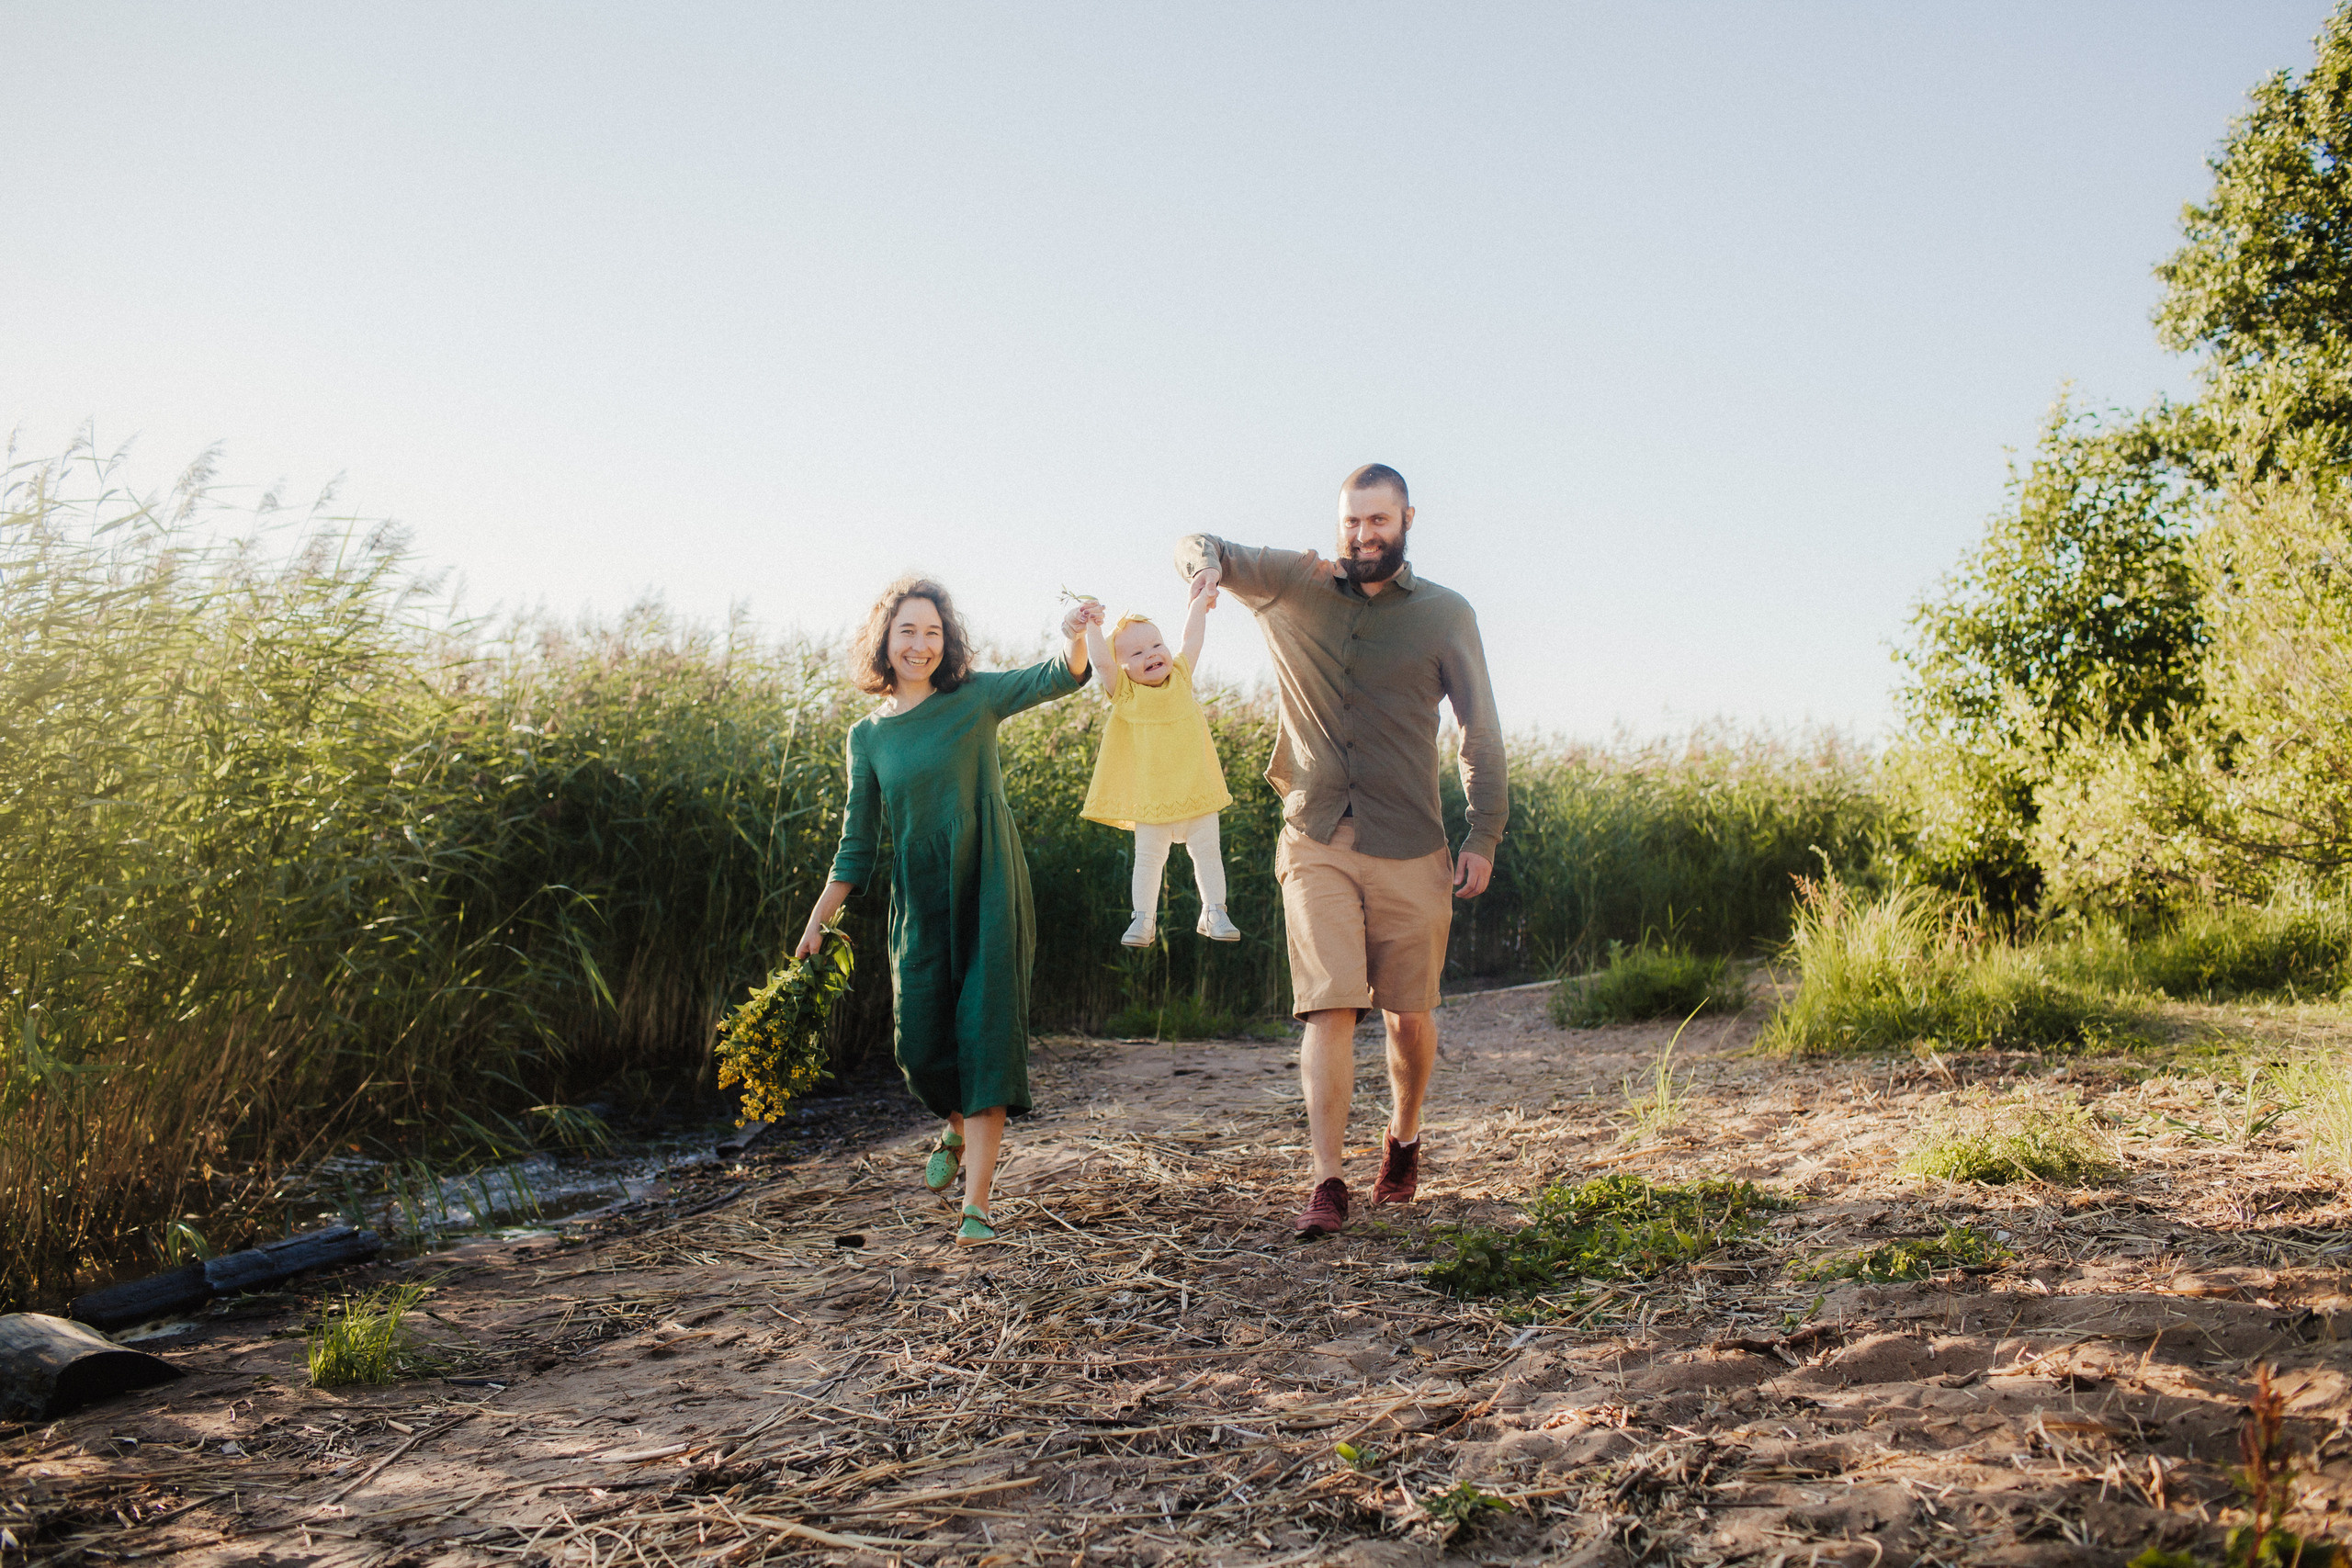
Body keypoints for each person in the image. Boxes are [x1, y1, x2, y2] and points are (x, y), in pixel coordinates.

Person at [1174, 464, 1506, 1238]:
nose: (1362, 536)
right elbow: (1199, 539)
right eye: (1351, 522)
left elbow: (1478, 728)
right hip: (1315, 833)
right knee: (1329, 1004)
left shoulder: (1447, 614)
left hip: (1411, 841)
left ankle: (1405, 1134)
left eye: (1378, 522)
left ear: (1407, 520)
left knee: (1407, 1019)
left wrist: (1483, 830)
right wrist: (1204, 571)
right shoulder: (1294, 582)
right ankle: (1327, 1179)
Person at [795, 576, 1094, 1246]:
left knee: (986, 1034)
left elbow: (1059, 675)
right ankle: (954, 1123)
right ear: (885, 639)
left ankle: (977, 1207)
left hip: (988, 881)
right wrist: (819, 920)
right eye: (908, 630)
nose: (921, 644)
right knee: (920, 1044)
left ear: (946, 639)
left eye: (932, 631)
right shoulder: (867, 737)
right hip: (921, 897)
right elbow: (856, 841)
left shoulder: (975, 698)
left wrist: (1076, 635)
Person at [1077, 573, 1241, 947]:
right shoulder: (1125, 692)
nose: (1151, 654)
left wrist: (1198, 603)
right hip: (1151, 801)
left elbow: (1192, 638)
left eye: (1155, 644)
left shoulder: (1181, 677)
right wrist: (1092, 626)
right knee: (1148, 862)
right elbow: (1102, 663)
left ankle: (1215, 910)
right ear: (1126, 669)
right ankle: (1144, 920)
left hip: (1197, 792)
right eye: (1136, 653)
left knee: (1208, 855)